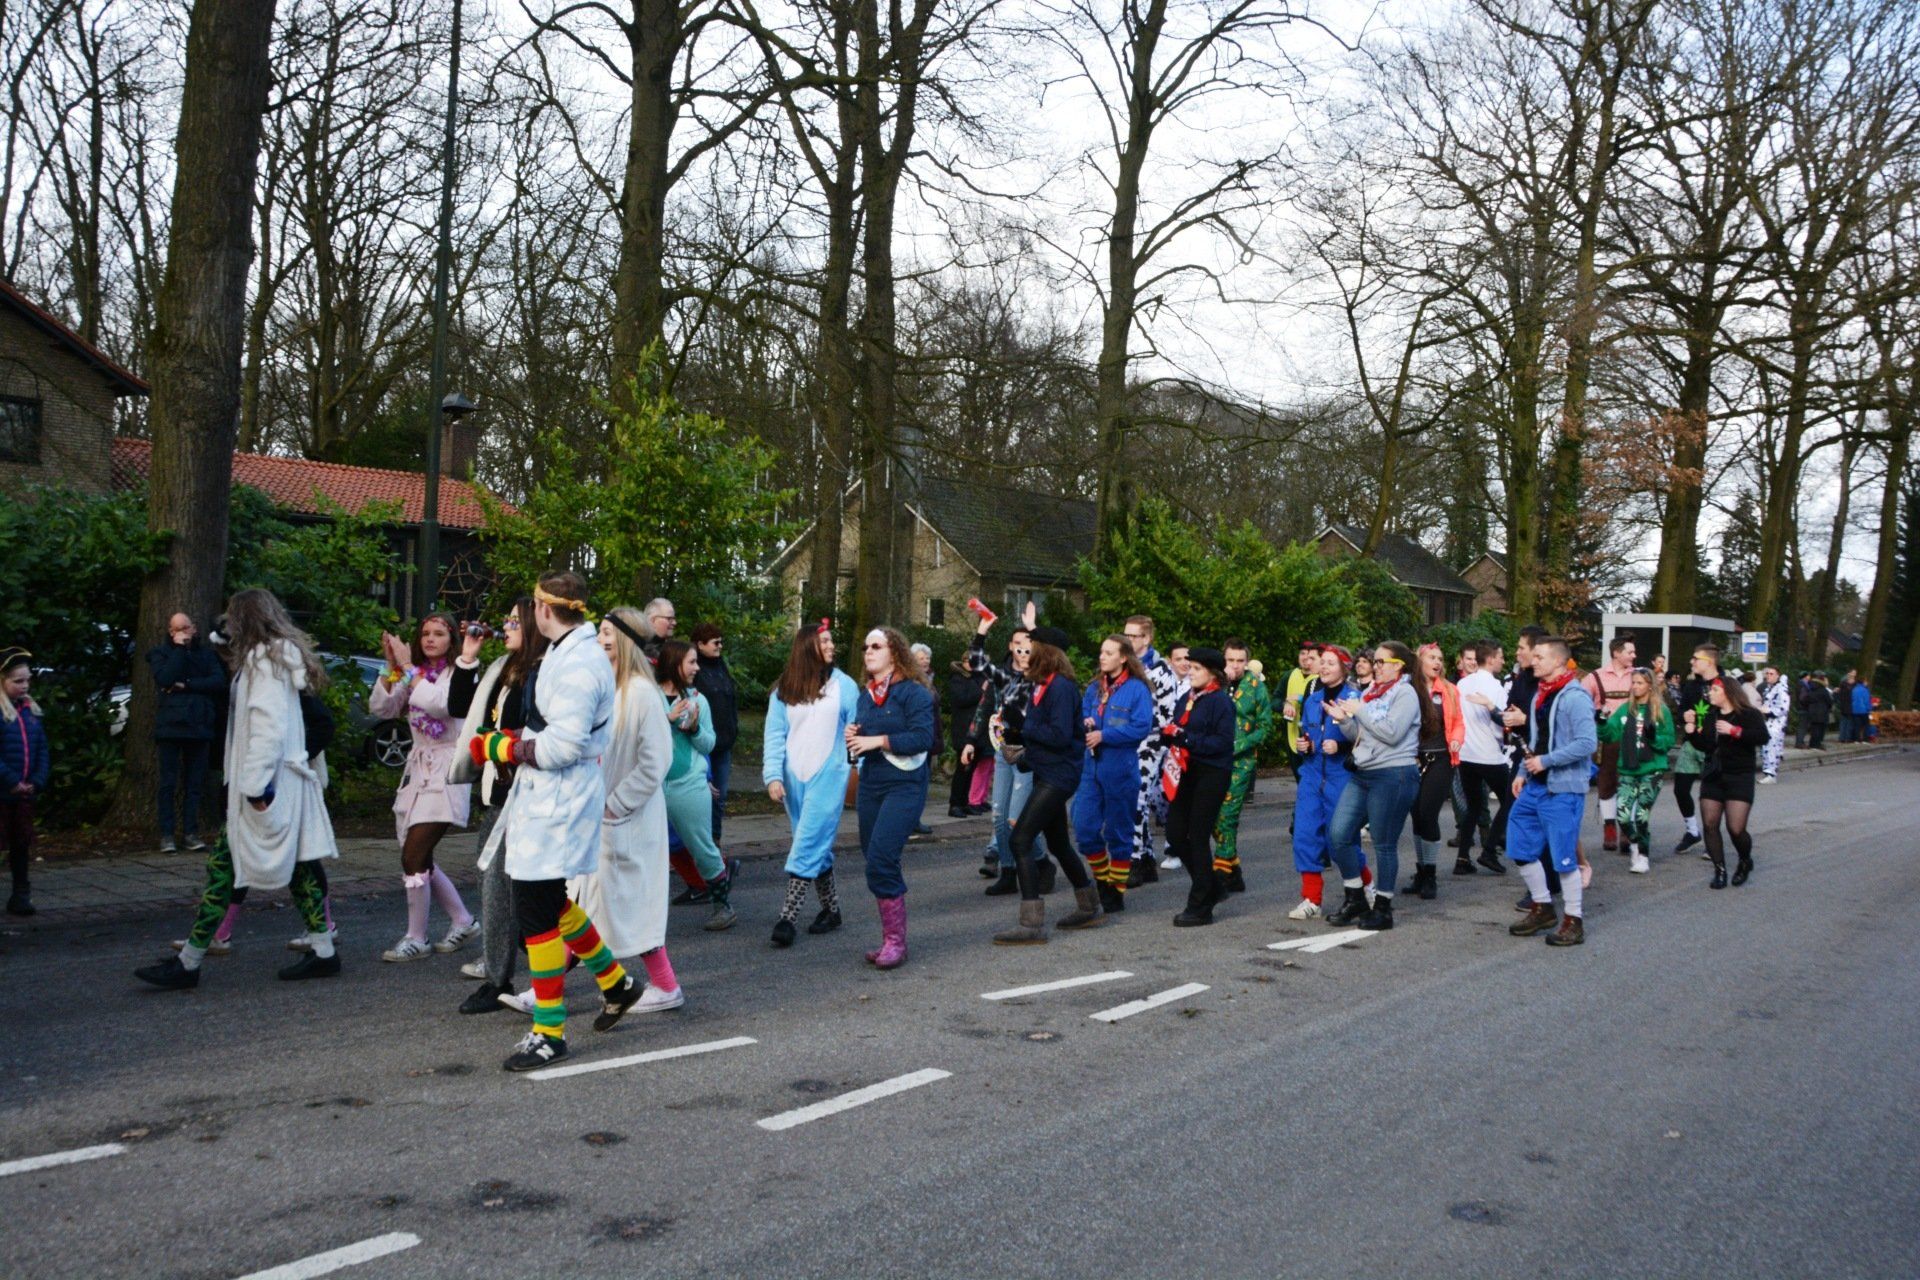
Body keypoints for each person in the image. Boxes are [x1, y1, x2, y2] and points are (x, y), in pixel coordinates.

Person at [469, 572, 646, 1071]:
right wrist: (512, 739)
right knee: (549, 903)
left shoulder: (579, 664)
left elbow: (563, 747)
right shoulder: (566, 652)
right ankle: (616, 983)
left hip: (560, 803)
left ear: (544, 610)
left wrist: (502, 747)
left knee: (536, 913)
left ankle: (549, 1032)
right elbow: (555, 731)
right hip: (549, 800)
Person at [135, 590, 339, 988]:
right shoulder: (273, 658)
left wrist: (255, 788)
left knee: (224, 871)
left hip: (266, 788)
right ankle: (323, 952)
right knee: (295, 868)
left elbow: (266, 727)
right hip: (283, 785)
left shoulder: (264, 663)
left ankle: (189, 963)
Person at [569, 608, 683, 1012]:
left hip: (628, 819)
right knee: (583, 904)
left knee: (630, 907)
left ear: (627, 641)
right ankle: (545, 988)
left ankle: (666, 986)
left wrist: (616, 806)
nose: (601, 639)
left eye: (608, 633)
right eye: (598, 632)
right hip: (597, 817)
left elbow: (657, 760)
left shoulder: (641, 692)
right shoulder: (607, 689)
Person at [444, 596, 547, 1014]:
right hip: (498, 794)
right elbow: (459, 708)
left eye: (513, 622)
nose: (504, 627)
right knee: (501, 885)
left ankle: (498, 978)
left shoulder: (542, 672)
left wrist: (501, 743)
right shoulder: (502, 668)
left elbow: (540, 735)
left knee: (501, 889)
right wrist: (467, 658)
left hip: (524, 795)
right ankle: (525, 959)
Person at [367, 613, 478, 962]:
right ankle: (463, 920)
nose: (430, 639)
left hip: (446, 770)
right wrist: (390, 666)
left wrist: (407, 668)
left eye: (439, 633)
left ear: (452, 639)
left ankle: (416, 937)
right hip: (418, 770)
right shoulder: (415, 673)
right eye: (425, 633)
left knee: (413, 854)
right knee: (419, 854)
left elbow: (441, 705)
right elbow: (383, 708)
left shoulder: (459, 672)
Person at [994, 625, 1104, 942]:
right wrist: (1020, 743)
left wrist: (1024, 729)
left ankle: (1031, 925)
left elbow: (1059, 735)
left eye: (1033, 647)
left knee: (1020, 840)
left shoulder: (1060, 688)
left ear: (1046, 652)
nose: (1026, 652)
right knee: (1057, 844)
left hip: (1059, 776)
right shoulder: (1043, 684)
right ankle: (1089, 906)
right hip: (1049, 772)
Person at [1321, 641, 1431, 931]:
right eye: (1376, 661)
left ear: (1399, 667)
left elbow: (1392, 733)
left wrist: (1360, 711)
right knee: (1338, 834)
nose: (1376, 666)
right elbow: (1362, 733)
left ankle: (1383, 908)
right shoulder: (1371, 692)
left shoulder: (1405, 693)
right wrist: (1344, 721)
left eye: (1382, 662)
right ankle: (1356, 896)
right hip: (1364, 772)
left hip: (1393, 774)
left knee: (1383, 843)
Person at [764, 621, 860, 947]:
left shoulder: (845, 686)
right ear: (807, 647)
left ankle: (787, 919)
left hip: (830, 776)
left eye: (832, 640)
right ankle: (832, 911)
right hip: (794, 780)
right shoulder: (784, 689)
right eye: (825, 641)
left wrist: (858, 771)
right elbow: (774, 735)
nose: (832, 646)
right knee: (814, 843)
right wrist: (773, 776)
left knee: (806, 844)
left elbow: (858, 732)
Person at [849, 627, 937, 967]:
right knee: (873, 858)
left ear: (895, 653)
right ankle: (889, 937)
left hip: (905, 785)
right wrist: (854, 735)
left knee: (882, 858)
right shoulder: (866, 695)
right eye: (865, 647)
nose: (868, 652)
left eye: (876, 646)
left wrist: (878, 740)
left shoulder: (914, 693)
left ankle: (896, 942)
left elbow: (923, 738)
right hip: (872, 782)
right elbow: (862, 739)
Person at [1507, 636, 1597, 946]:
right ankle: (1543, 907)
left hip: (1564, 788)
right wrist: (1523, 772)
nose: (1533, 661)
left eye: (1539, 657)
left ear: (1558, 661)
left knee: (1563, 857)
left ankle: (1574, 920)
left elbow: (1587, 743)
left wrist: (1545, 761)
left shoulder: (1576, 696)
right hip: (1535, 786)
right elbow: (1535, 739)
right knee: (1519, 845)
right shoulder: (1540, 694)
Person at [965, 605, 1053, 892]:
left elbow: (1054, 653)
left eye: (1028, 645)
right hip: (1004, 751)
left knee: (1017, 820)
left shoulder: (1043, 678)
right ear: (1011, 647)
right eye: (1017, 644)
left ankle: (1042, 862)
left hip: (1029, 755)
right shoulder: (1003, 677)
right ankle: (1008, 871)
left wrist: (1034, 628)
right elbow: (977, 664)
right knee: (999, 817)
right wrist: (983, 628)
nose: (1022, 650)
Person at [656, 638, 738, 930]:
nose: (697, 668)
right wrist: (666, 718)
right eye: (691, 662)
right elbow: (634, 732)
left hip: (688, 786)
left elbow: (709, 743)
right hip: (649, 787)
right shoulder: (648, 696)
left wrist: (693, 729)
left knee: (702, 847)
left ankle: (723, 907)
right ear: (674, 663)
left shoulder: (697, 700)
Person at [1071, 634, 1156, 914]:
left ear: (1123, 658)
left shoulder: (1137, 689)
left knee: (1119, 832)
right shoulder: (1094, 688)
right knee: (1084, 827)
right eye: (1101, 652)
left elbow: (1141, 727)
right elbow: (1083, 715)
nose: (1102, 657)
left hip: (1120, 768)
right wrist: (1086, 722)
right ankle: (1103, 878)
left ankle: (1115, 890)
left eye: (1109, 653)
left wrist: (1105, 735)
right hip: (1091, 767)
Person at [1288, 645, 1367, 919]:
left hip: (1341, 776)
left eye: (1331, 663)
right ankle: (1312, 899)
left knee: (1340, 839)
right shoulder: (1312, 700)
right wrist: (1305, 746)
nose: (1323, 667)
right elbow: (1309, 734)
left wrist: (1342, 747)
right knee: (1304, 834)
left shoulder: (1355, 699)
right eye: (1322, 662)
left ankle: (1365, 885)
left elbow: (1368, 738)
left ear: (1344, 668)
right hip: (1311, 775)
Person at [1163, 647, 1238, 927]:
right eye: (1189, 667)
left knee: (1197, 835)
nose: (1189, 672)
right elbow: (1180, 727)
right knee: (1175, 833)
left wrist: (1188, 740)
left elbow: (1222, 742)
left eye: (1196, 668)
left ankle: (1200, 906)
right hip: (1186, 770)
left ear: (1212, 673)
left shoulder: (1220, 702)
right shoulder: (1189, 697)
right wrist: (1170, 736)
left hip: (1212, 772)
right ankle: (1212, 886)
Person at [148, 612, 226, 854]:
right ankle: (167, 834)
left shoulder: (206, 655)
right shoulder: (160, 654)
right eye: (178, 629)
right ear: (171, 632)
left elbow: (218, 681)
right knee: (168, 783)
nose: (184, 632)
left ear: (194, 628)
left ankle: (191, 833)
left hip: (200, 725)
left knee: (194, 784)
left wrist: (187, 685)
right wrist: (180, 651)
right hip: (170, 726)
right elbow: (165, 678)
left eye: (187, 627)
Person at [1684, 676, 1767, 889]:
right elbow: (1705, 746)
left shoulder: (1748, 714)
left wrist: (1735, 731)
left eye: (1714, 690)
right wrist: (1691, 730)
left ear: (1728, 692)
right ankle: (1719, 869)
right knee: (1710, 824)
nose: (1709, 694)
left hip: (1740, 776)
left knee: (1736, 828)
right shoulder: (1711, 716)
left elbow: (1762, 737)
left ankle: (1745, 860)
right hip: (1714, 775)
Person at [1121, 615, 1180, 884]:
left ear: (1147, 638)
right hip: (1125, 743)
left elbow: (1168, 716)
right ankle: (1145, 857)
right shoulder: (1124, 667)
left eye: (1133, 636)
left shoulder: (1160, 671)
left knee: (1137, 800)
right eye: (1125, 635)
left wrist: (1137, 724)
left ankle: (1134, 860)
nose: (1128, 640)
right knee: (1132, 801)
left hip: (1150, 744)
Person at [1597, 667, 1674, 874]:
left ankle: (1643, 855)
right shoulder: (1625, 710)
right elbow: (1610, 735)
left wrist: (1654, 737)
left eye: (1640, 683)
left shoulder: (1660, 710)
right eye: (1633, 683)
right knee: (1622, 816)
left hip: (1652, 770)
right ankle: (1635, 844)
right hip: (1628, 770)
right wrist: (1602, 721)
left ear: (1650, 685)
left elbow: (1668, 741)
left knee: (1641, 816)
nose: (1635, 687)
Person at [1213, 639, 1272, 893]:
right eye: (1230, 660)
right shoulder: (1214, 684)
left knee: (1228, 816)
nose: (1235, 665)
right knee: (1213, 817)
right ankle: (1233, 869)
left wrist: (1239, 745)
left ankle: (1220, 875)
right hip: (1212, 759)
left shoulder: (1256, 687)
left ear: (1247, 662)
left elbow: (1265, 727)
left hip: (1241, 762)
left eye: (1240, 661)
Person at [1406, 642, 1464, 900]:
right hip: (1412, 759)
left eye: (1440, 658)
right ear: (1419, 661)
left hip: (1440, 758)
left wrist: (1457, 739)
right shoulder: (1409, 689)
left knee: (1428, 814)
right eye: (1432, 657)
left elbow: (1459, 722)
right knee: (1417, 816)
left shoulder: (1449, 690)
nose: (1437, 662)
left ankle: (1430, 875)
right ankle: (1421, 871)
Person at [1454, 639, 1511, 875]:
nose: (1503, 661)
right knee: (1511, 799)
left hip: (1466, 753)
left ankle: (1462, 858)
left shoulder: (1462, 683)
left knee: (1474, 805)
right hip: (1489, 754)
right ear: (1490, 659)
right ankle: (1489, 849)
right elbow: (1501, 723)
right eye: (1501, 656)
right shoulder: (1496, 687)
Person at [2, 648, 48, 916]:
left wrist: (37, 780)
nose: (24, 686)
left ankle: (21, 894)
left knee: (21, 845)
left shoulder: (31, 712)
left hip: (23, 793)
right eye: (17, 681)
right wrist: (10, 779)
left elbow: (42, 750)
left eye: (27, 680)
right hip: (3, 791)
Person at [1582, 637, 1637, 851]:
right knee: (1606, 783)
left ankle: (1627, 827)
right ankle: (1610, 827)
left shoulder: (1637, 676)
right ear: (1616, 653)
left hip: (1632, 736)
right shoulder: (1594, 677)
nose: (1634, 656)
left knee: (1630, 782)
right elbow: (1581, 705)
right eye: (1630, 652)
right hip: (1606, 738)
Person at [690, 622, 739, 840]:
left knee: (720, 795)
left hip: (724, 743)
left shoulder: (720, 666)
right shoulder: (695, 670)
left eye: (721, 642)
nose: (720, 646)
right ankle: (699, 841)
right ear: (700, 645)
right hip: (702, 743)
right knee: (702, 795)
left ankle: (715, 840)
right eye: (715, 642)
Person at [1670, 645, 1719, 852]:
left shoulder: (1724, 684)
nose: (1691, 662)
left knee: (1711, 797)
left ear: (1709, 661)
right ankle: (1692, 831)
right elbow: (1681, 711)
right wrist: (1685, 716)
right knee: (1680, 789)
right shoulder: (1691, 686)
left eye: (1695, 658)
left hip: (1715, 748)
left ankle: (1712, 840)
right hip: (1692, 744)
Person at [945, 658, 994, 817]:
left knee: (971, 769)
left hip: (976, 732)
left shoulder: (979, 677)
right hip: (963, 731)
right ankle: (955, 804)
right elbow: (961, 699)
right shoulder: (957, 679)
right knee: (963, 769)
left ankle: (965, 802)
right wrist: (981, 691)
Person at [1757, 666, 1789, 782]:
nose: (1768, 676)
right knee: (1767, 747)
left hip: (1776, 724)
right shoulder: (1770, 688)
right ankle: (1768, 772)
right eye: (1767, 674)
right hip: (1768, 722)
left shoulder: (1781, 689)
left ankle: (1771, 774)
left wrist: (1769, 711)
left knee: (1772, 747)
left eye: (1771, 674)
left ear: (1777, 676)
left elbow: (1784, 708)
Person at [1803, 673, 1833, 749]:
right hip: (1822, 711)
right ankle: (1817, 744)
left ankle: (1812, 743)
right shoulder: (1823, 690)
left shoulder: (1811, 689)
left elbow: (1806, 700)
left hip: (1812, 711)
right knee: (1820, 729)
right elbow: (1829, 701)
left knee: (1814, 728)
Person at [1846, 674, 1872, 744]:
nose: (1867, 683)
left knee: (1857, 725)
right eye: (1866, 681)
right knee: (1866, 725)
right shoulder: (1865, 690)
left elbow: (1852, 699)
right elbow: (1866, 701)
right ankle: (1865, 739)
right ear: (1863, 682)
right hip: (1864, 710)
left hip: (1855, 710)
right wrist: (1869, 709)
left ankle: (1856, 739)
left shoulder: (1854, 689)